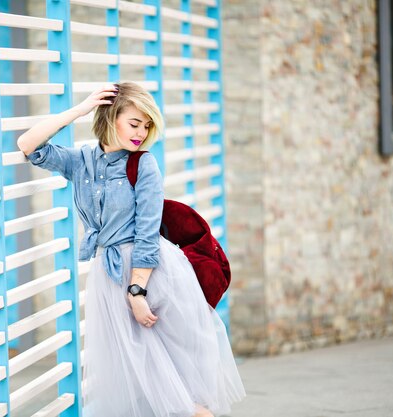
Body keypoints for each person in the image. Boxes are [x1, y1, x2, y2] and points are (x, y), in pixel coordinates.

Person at [17, 82, 245, 417]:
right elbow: (28, 145)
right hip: (107, 275)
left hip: (150, 275)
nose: (141, 133)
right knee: (138, 382)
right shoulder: (81, 161)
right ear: (111, 118)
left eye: (147, 125)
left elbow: (148, 232)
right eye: (134, 123)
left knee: (169, 385)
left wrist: (137, 291)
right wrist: (80, 110)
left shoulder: (143, 165)